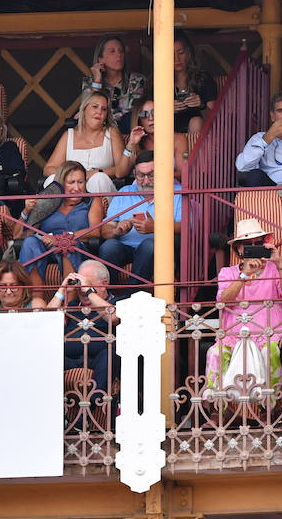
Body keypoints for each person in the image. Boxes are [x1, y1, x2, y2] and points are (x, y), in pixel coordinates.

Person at [205, 219, 282, 397]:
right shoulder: (227, 273)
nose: (253, 247)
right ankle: (217, 410)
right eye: (247, 244)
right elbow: (223, 301)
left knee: (271, 352)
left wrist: (280, 264)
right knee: (215, 353)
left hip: (270, 333)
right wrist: (244, 275)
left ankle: (271, 410)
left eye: (258, 243)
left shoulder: (274, 269)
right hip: (234, 335)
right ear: (238, 249)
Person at [98, 151, 180, 295]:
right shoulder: (125, 192)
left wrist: (156, 228)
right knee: (109, 246)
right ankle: (106, 297)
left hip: (158, 250)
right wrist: (117, 230)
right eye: (141, 176)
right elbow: (105, 230)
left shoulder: (177, 192)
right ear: (135, 174)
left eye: (152, 175)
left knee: (150, 245)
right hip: (125, 246)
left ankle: (130, 297)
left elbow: (187, 227)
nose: (146, 181)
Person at [17, 161, 101, 288]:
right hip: (47, 248)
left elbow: (95, 231)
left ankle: (70, 301)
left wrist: (63, 238)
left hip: (78, 248)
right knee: (30, 242)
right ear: (61, 184)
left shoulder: (92, 200)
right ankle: (35, 300)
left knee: (67, 245)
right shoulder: (48, 202)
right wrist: (26, 211)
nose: (77, 188)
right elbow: (19, 234)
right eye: (71, 183)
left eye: (80, 182)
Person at [44, 87, 132, 195]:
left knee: (98, 179)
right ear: (84, 109)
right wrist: (73, 175)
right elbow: (48, 169)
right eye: (95, 107)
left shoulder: (111, 133)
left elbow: (121, 170)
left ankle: (95, 211)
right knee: (52, 179)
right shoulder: (69, 135)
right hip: (71, 192)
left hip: (101, 192)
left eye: (104, 109)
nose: (99, 111)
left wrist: (98, 172)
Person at [56, 261, 119, 395]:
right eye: (80, 284)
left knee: (109, 355)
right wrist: (62, 290)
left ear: (104, 284)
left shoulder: (116, 302)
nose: (82, 289)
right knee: (48, 355)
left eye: (88, 284)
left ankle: (91, 407)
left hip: (100, 360)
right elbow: (45, 323)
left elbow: (113, 318)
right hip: (70, 359)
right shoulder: (72, 305)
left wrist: (89, 291)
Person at [90, 34, 147, 132]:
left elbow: (134, 112)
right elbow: (89, 112)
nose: (119, 54)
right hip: (99, 135)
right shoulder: (90, 82)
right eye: (112, 51)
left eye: (121, 51)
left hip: (128, 133)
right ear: (100, 59)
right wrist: (97, 81)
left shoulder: (137, 81)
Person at [127, 97, 190, 180]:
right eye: (144, 114)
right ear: (138, 119)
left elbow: (182, 174)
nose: (151, 118)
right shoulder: (137, 141)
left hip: (169, 187)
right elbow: (120, 173)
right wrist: (131, 144)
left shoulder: (178, 139)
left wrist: (155, 177)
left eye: (155, 112)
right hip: (141, 188)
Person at [173, 30, 218, 136]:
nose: (176, 59)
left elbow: (215, 118)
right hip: (169, 136)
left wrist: (201, 105)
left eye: (181, 53)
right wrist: (166, 110)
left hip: (199, 134)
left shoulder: (203, 79)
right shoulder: (159, 81)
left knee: (196, 122)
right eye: (170, 54)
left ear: (189, 53)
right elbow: (148, 119)